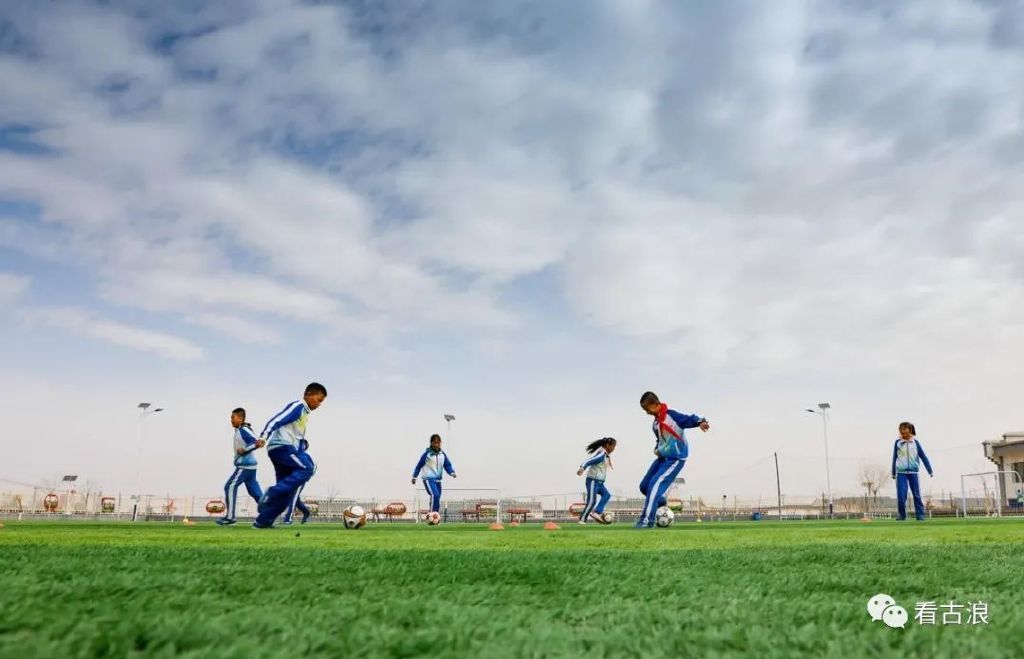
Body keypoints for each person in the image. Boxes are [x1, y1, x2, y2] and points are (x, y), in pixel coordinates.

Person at [253, 383, 327, 528]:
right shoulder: (298, 406)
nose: (319, 404)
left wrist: (301, 447)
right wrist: (263, 436)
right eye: (319, 400)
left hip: (285, 450)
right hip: (282, 448)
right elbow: (277, 419)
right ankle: (271, 492)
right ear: (309, 394)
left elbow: (297, 437)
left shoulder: (304, 413)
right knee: (307, 468)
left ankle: (262, 522)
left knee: (286, 495)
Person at [636, 391, 710, 528]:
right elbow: (660, 439)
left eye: (647, 409)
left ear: (656, 404)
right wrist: (657, 449)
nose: (646, 412)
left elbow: (690, 418)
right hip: (662, 458)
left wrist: (701, 422)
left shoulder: (672, 416)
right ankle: (660, 501)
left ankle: (646, 521)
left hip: (675, 459)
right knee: (644, 486)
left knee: (654, 485)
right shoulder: (655, 424)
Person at [217, 407, 265, 526]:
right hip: (250, 467)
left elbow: (257, 442)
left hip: (245, 466)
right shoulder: (240, 429)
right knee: (255, 492)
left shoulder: (244, 430)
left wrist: (244, 450)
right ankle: (269, 514)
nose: (231, 420)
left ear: (240, 418)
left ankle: (230, 518)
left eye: (233, 417)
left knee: (230, 486)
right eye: (231, 418)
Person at [891, 421, 933, 521]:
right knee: (901, 495)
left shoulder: (916, 443)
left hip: (913, 473)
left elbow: (923, 456)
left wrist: (929, 470)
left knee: (916, 494)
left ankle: (920, 515)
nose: (904, 435)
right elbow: (894, 457)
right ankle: (902, 515)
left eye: (905, 432)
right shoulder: (897, 443)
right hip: (901, 473)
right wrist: (893, 472)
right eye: (902, 433)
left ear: (910, 431)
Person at [411, 434, 456, 514]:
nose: (437, 445)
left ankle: (435, 516)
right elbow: (419, 466)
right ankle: (431, 515)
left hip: (438, 480)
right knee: (434, 495)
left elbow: (447, 465)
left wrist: (451, 472)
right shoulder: (426, 455)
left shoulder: (442, 454)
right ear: (431, 443)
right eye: (435, 443)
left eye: (438, 443)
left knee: (437, 498)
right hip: (428, 479)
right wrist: (414, 477)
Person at [577, 437, 617, 524]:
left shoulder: (605, 455)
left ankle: (597, 512)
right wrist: (582, 468)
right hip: (592, 481)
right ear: (607, 445)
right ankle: (582, 520)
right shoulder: (602, 454)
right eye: (613, 446)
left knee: (606, 495)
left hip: (600, 483)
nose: (614, 449)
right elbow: (589, 460)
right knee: (592, 501)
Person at [282, 439, 313, 525]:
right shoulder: (292, 455)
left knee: (293, 498)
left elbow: (312, 468)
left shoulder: (306, 456)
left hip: (299, 480)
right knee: (295, 499)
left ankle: (288, 519)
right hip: (291, 479)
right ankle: (306, 512)